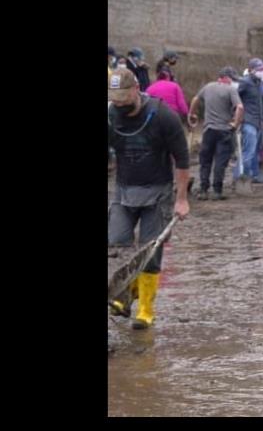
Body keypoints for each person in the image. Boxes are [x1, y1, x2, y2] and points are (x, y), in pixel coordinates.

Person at [107, 67, 190, 329]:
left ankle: (145, 309)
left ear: (136, 89)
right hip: (124, 191)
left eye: (124, 98)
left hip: (158, 192)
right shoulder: (110, 116)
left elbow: (182, 159)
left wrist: (181, 199)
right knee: (116, 244)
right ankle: (124, 293)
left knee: (150, 250)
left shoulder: (163, 116)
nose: (120, 104)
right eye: (115, 100)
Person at [188, 67, 243, 201]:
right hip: (224, 131)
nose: (233, 82)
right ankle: (217, 191)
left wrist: (191, 113)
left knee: (205, 160)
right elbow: (240, 107)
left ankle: (203, 190)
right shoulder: (230, 90)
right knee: (220, 161)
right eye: (232, 79)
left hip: (209, 130)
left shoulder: (208, 87)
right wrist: (236, 123)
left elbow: (195, 99)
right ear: (226, 78)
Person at [236, 58, 263, 184]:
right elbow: (235, 99)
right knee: (248, 152)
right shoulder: (245, 83)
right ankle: (243, 179)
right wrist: (236, 117)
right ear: (251, 70)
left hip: (258, 122)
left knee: (255, 151)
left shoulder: (259, 83)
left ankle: (253, 176)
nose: (262, 71)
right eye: (259, 69)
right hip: (248, 121)